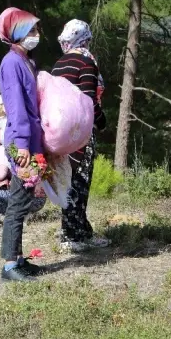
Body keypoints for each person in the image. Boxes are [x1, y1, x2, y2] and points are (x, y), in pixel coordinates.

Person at [0, 7, 45, 282]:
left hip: (29, 140)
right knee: (17, 202)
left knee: (23, 200)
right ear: (17, 33)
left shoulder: (27, 61)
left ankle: (18, 258)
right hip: (19, 142)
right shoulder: (11, 63)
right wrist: (24, 145)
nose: (36, 35)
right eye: (32, 30)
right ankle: (9, 265)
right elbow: (15, 108)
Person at [51, 19, 109, 252]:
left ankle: (81, 230)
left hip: (60, 133)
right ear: (84, 38)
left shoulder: (59, 64)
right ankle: (72, 236)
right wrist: (101, 121)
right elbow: (87, 101)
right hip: (81, 132)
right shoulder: (85, 62)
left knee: (68, 179)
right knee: (80, 181)